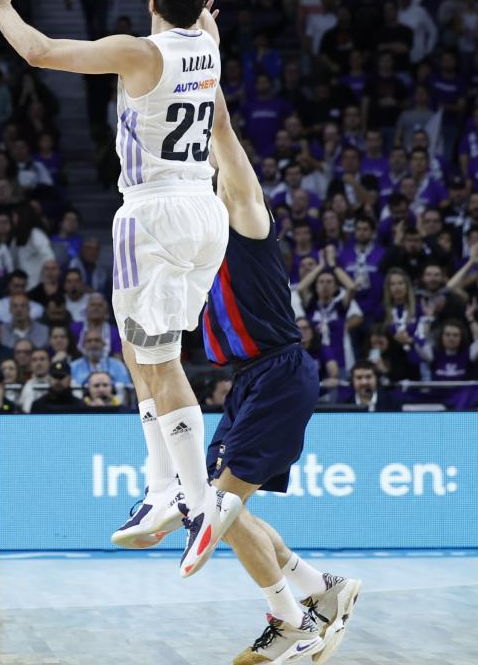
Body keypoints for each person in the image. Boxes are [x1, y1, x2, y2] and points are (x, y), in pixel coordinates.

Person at [0, 0, 232, 576]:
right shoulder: (208, 41)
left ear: (149, 1)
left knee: (158, 359)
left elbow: (43, 52)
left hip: (151, 213)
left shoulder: (138, 51)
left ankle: (199, 501)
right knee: (139, 353)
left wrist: (1, 9)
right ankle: (159, 487)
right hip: (202, 209)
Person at [186, 89, 362, 663]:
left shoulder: (247, 221)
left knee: (219, 506)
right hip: (250, 382)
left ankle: (290, 621)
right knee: (225, 509)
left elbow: (224, 139)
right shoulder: (203, 251)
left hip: (280, 372)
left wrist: (201, 63)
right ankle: (320, 589)